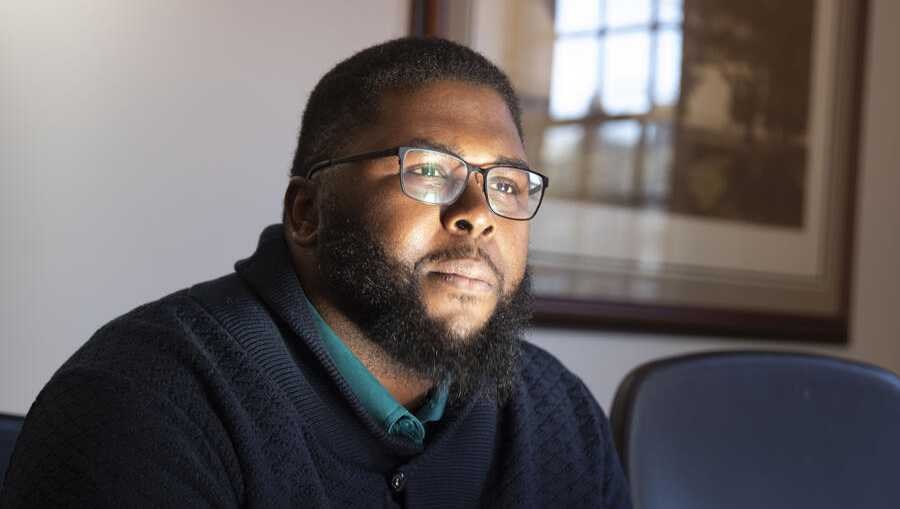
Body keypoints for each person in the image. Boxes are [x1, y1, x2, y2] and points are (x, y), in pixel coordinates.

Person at [0, 37, 631, 508]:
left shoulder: (560, 414)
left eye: (508, 184)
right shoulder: (143, 400)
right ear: (308, 212)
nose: (478, 215)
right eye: (431, 171)